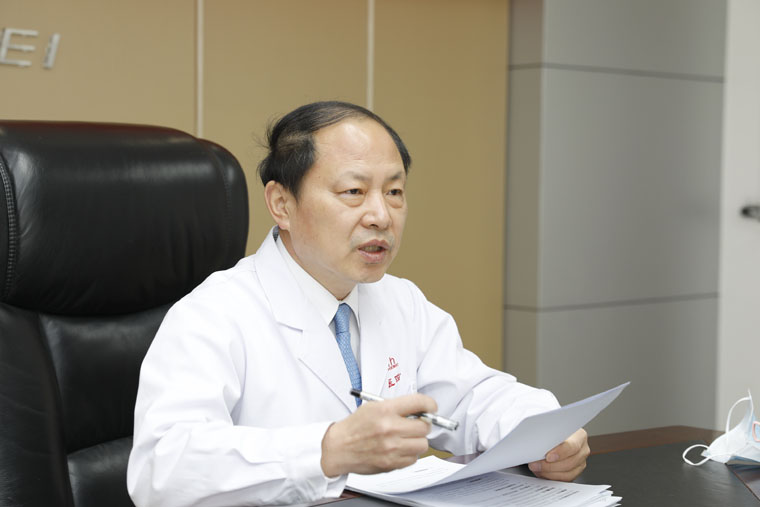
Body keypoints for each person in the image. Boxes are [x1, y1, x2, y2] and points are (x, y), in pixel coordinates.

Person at [127, 101, 589, 506]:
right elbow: (161, 471)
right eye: (353, 192)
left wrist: (545, 431)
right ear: (282, 204)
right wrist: (327, 450)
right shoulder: (213, 314)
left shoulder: (400, 301)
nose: (381, 216)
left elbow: (470, 396)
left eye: (394, 192)